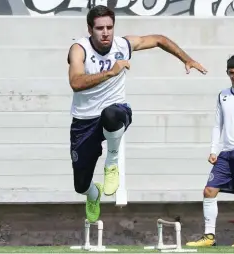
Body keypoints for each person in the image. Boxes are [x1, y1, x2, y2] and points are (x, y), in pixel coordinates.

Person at [67, 5, 208, 223]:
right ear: (89, 29)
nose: (105, 33)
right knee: (80, 185)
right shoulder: (79, 49)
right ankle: (93, 194)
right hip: (84, 121)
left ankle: (111, 161)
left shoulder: (123, 44)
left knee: (111, 114)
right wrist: (110, 72)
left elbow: (159, 39)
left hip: (116, 111)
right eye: (100, 28)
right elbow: (75, 82)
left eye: (109, 27)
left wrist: (186, 59)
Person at [186, 55, 234, 247]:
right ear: (227, 73)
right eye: (232, 73)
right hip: (226, 152)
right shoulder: (223, 95)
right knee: (209, 191)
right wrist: (214, 149)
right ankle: (209, 237)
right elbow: (217, 125)